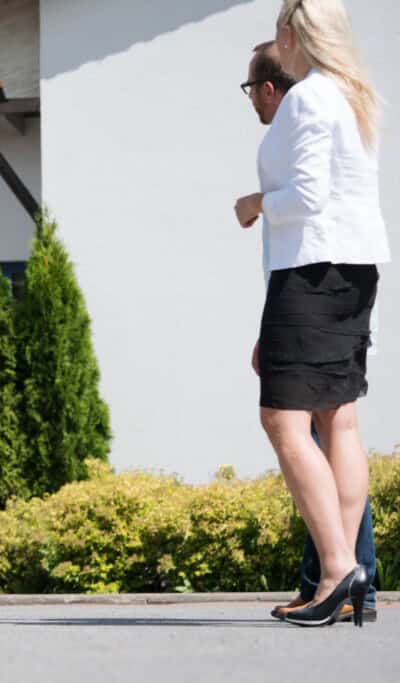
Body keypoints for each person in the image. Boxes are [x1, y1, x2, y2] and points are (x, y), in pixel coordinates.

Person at [233, 0, 390, 627]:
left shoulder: (306, 99)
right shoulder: (354, 96)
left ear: (294, 36)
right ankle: (348, 574)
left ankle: (334, 570)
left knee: (283, 419)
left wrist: (253, 203)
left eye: (279, 32)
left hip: (314, 272)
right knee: (339, 421)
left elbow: (305, 198)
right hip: (354, 271)